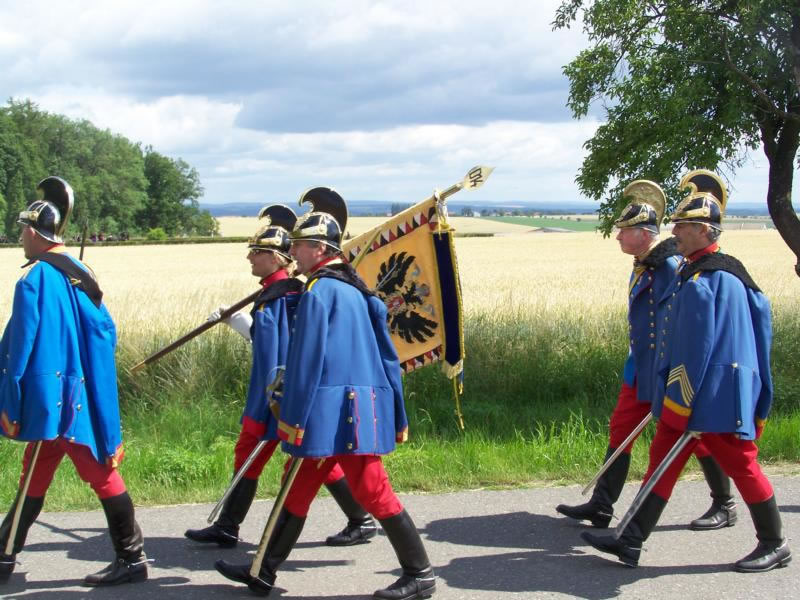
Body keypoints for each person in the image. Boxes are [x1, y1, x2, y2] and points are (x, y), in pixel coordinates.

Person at [215, 187, 436, 599]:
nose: (292, 253)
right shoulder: (360, 292)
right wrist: (397, 411)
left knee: (372, 489)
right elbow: (389, 361)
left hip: (331, 412)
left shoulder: (319, 291)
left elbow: (306, 361)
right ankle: (263, 571)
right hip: (357, 409)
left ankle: (420, 573)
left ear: (318, 249)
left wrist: (292, 418)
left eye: (298, 246)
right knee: (297, 484)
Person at [582, 169, 792, 572]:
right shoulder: (726, 270)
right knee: (663, 456)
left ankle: (774, 543)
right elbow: (760, 323)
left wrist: (678, 402)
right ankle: (631, 539)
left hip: (710, 395)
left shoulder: (703, 281)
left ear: (702, 230)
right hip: (715, 389)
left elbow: (694, 351)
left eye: (682, 225)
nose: (674, 231)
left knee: (742, 463)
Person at [185, 205, 376, 549]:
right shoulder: (281, 291)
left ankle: (230, 528)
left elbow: (276, 350)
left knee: (268, 454)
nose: (250, 258)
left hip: (276, 394)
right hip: (279, 391)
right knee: (314, 460)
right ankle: (360, 519)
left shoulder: (281, 296)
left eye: (256, 252)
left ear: (274, 258)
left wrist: (240, 325)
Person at [556, 180, 735, 531]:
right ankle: (602, 505)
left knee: (696, 436)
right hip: (640, 366)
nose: (618, 237)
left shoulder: (668, 265)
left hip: (664, 369)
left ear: (643, 234)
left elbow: (680, 320)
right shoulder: (644, 262)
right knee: (621, 428)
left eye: (624, 230)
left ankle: (724, 503)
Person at [0, 176, 147, 587]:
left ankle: (132, 557)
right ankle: (4, 553)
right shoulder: (81, 271)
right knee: (35, 470)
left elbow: (19, 348)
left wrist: (12, 395)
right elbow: (104, 332)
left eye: (23, 231)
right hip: (77, 389)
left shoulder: (34, 279)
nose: (21, 238)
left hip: (54, 397)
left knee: (100, 473)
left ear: (34, 233)